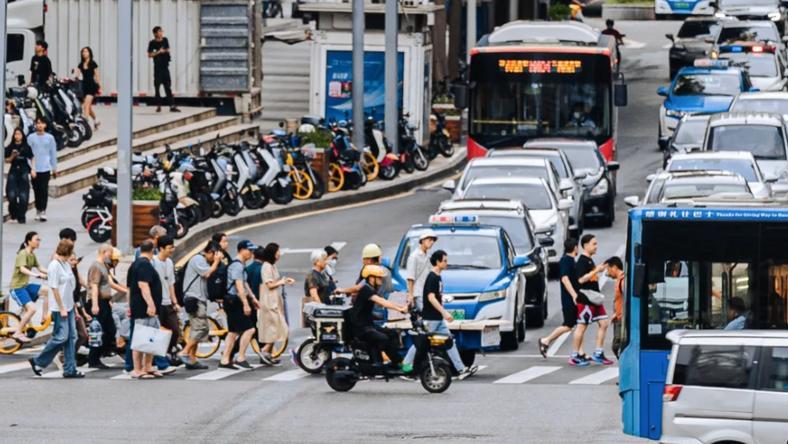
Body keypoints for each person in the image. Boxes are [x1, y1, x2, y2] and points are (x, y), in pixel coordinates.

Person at [403, 250, 477, 379]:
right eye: (445, 261)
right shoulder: (432, 277)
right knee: (420, 343)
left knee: (449, 341)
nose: (447, 263)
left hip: (437, 318)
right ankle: (406, 366)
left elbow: (436, 297)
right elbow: (431, 298)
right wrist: (444, 312)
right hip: (431, 318)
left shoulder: (438, 277)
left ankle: (461, 369)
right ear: (437, 262)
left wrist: (442, 312)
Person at [28, 240, 82, 378]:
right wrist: (62, 307)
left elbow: (70, 286)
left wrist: (73, 306)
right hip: (60, 308)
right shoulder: (54, 265)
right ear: (67, 251)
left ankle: (70, 369)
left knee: (72, 337)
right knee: (61, 337)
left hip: (69, 305)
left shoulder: (65, 264)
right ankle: (38, 361)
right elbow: (54, 288)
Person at [348, 265, 408, 368]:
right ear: (371, 278)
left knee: (393, 333)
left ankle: (395, 362)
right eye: (379, 277)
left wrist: (402, 307)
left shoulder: (371, 289)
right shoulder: (366, 289)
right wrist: (399, 309)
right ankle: (378, 363)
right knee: (383, 338)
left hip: (368, 325)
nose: (381, 280)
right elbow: (381, 302)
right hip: (361, 328)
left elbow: (385, 301)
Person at [179, 241, 224, 369]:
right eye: (214, 255)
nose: (214, 258)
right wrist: (216, 262)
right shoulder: (198, 259)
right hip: (195, 299)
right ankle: (184, 352)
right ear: (210, 252)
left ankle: (192, 359)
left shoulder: (202, 260)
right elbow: (207, 273)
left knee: (196, 329)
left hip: (198, 298)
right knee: (201, 328)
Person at [573, 234, 613, 366]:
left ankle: (598, 352)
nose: (596, 246)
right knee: (581, 326)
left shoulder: (589, 260)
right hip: (586, 299)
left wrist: (599, 270)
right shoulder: (582, 261)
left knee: (604, 323)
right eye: (593, 244)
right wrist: (596, 270)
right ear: (585, 245)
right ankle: (576, 355)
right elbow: (580, 280)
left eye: (596, 243)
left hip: (595, 299)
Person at [126, 240, 165, 379]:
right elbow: (143, 285)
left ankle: (147, 366)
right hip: (144, 308)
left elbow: (129, 289)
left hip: (139, 307)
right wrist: (151, 304)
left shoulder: (135, 264)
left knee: (150, 337)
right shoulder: (144, 265)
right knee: (140, 338)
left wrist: (128, 305)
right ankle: (137, 369)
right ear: (153, 250)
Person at [219, 240, 260, 369]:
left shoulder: (240, 265)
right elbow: (239, 286)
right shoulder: (237, 265)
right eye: (250, 250)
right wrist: (245, 304)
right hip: (234, 301)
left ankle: (225, 360)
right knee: (249, 329)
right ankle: (240, 357)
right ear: (241, 250)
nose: (251, 253)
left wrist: (253, 298)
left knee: (233, 332)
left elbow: (245, 283)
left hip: (233, 301)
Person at [539, 239, 581, 359]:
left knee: (578, 325)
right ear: (575, 248)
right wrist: (574, 295)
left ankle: (579, 351)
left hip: (572, 298)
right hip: (569, 299)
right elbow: (565, 278)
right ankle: (546, 340)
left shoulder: (570, 260)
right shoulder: (566, 261)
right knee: (568, 325)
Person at [258, 243, 294, 366]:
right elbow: (269, 285)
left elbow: (275, 282)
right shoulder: (266, 266)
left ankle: (267, 353)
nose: (279, 253)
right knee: (278, 327)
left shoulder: (272, 266)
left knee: (276, 328)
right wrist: (282, 281)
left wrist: (284, 281)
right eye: (278, 251)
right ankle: (265, 350)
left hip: (274, 299)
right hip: (269, 301)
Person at [11, 232, 48, 343]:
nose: (38, 242)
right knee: (32, 309)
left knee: (48, 291)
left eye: (39, 239)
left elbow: (40, 267)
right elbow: (22, 269)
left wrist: (53, 272)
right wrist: (35, 275)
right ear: (28, 241)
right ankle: (17, 333)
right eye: (37, 239)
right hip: (17, 288)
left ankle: (44, 318)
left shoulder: (32, 254)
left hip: (26, 286)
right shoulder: (23, 253)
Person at [86, 244, 118, 369]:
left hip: (104, 302)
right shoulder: (96, 266)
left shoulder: (103, 266)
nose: (111, 256)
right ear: (104, 252)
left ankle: (99, 354)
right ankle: (93, 359)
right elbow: (94, 286)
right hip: (98, 302)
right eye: (110, 254)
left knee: (110, 330)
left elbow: (107, 284)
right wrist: (94, 304)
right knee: (98, 332)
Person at [152, 236, 181, 366]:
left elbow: (171, 283)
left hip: (168, 302)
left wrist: (174, 302)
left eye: (172, 247)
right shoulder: (152, 262)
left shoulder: (169, 262)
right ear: (161, 248)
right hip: (157, 303)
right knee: (158, 332)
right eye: (170, 248)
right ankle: (158, 357)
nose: (172, 250)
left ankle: (167, 351)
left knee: (174, 330)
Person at [27, 116, 57, 222]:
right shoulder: (30, 138)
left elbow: (53, 153)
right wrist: (31, 168)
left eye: (42, 123)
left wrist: (54, 168)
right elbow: (28, 154)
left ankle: (43, 210)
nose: (39, 125)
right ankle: (38, 210)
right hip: (35, 168)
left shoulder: (50, 138)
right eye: (38, 123)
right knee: (36, 190)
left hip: (45, 168)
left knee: (44, 190)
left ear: (45, 125)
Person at [5, 128, 35, 223]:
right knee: (11, 194)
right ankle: (13, 213)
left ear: (22, 135)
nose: (17, 136)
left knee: (23, 196)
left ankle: (21, 216)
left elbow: (32, 157)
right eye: (16, 134)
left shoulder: (26, 147)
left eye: (19, 134)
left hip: (24, 171)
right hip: (13, 171)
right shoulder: (10, 146)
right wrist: (12, 156)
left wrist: (33, 169)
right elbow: (6, 160)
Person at [147, 26, 180, 113]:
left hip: (165, 67)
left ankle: (172, 105)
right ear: (155, 33)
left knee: (168, 87)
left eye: (161, 31)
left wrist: (164, 51)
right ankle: (158, 105)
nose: (161, 33)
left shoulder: (165, 40)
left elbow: (168, 49)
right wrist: (158, 52)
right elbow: (150, 55)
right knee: (157, 87)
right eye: (159, 31)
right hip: (157, 68)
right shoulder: (152, 43)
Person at [406, 231, 437, 311]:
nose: (432, 242)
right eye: (429, 239)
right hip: (419, 293)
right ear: (422, 240)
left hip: (427, 292)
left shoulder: (428, 255)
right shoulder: (414, 256)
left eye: (433, 240)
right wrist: (410, 296)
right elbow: (410, 278)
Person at [73, 46, 100, 129]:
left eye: (86, 51)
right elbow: (76, 75)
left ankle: (85, 124)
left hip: (92, 86)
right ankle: (96, 120)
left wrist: (99, 86)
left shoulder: (93, 63)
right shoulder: (81, 64)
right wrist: (74, 76)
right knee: (88, 107)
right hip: (84, 86)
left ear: (90, 53)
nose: (84, 53)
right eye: (83, 52)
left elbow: (97, 75)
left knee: (86, 105)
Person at [604, 256, 625, 359]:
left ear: (614, 267)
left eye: (608, 269)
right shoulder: (619, 280)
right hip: (618, 316)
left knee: (617, 345)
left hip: (622, 318)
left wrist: (619, 314)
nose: (608, 273)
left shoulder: (622, 281)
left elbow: (627, 300)